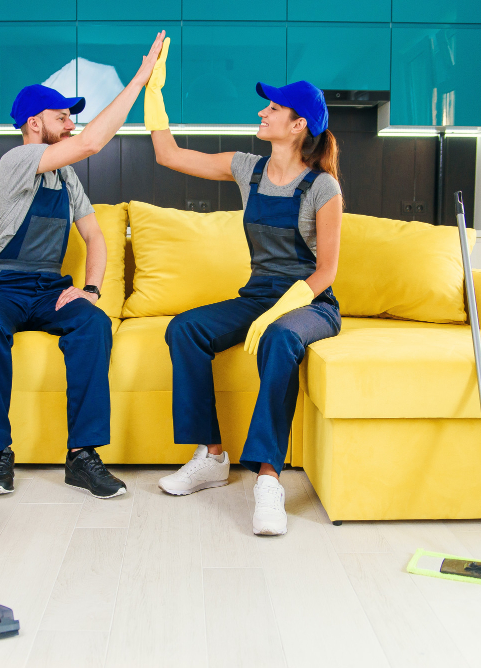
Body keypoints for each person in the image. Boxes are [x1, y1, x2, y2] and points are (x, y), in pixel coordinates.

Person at [144, 45, 343, 535]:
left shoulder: (323, 188)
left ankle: (269, 480)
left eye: (273, 108)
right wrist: (154, 92)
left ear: (298, 125)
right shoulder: (246, 168)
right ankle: (212, 456)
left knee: (279, 338)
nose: (262, 111)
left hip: (309, 303)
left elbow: (326, 272)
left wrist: (281, 311)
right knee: (184, 330)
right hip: (257, 295)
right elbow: (168, 154)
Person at [0, 31, 166, 499]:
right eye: (62, 117)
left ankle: (82, 457)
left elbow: (95, 236)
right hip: (2, 288)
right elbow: (94, 142)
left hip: (48, 290)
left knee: (93, 325)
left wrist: (91, 290)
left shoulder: (65, 175)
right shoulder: (16, 160)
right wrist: (140, 77)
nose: (71, 124)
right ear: (34, 123)